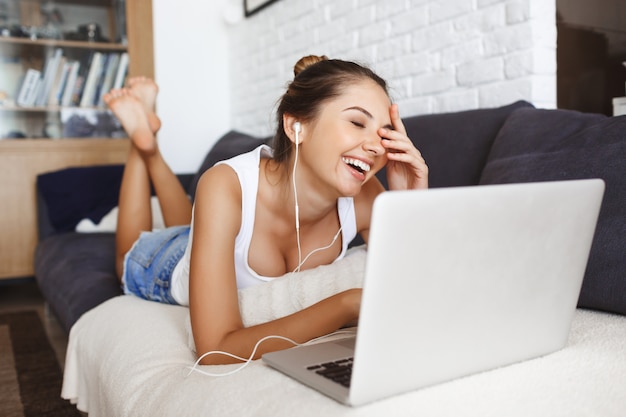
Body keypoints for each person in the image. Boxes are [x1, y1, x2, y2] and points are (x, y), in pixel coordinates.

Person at [103, 56, 428, 366]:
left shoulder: (366, 194)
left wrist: (409, 203)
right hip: (172, 264)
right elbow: (215, 350)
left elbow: (412, 292)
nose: (375, 146)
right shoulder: (225, 184)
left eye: (385, 133)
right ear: (296, 127)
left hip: (214, 233)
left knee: (190, 221)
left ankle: (148, 141)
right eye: (358, 122)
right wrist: (346, 304)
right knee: (128, 256)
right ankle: (142, 144)